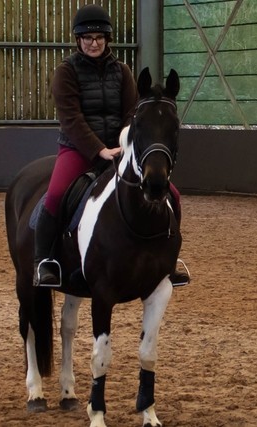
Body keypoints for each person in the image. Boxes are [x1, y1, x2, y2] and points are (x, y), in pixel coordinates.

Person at [37, 4, 188, 288]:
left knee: (173, 196)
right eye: (87, 38)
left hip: (118, 149)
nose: (93, 43)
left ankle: (169, 261)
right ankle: (45, 261)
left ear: (107, 40)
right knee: (56, 195)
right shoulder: (66, 72)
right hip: (77, 149)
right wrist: (98, 150)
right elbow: (71, 119)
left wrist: (121, 144)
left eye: (99, 38)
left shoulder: (122, 71)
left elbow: (132, 113)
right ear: (78, 40)